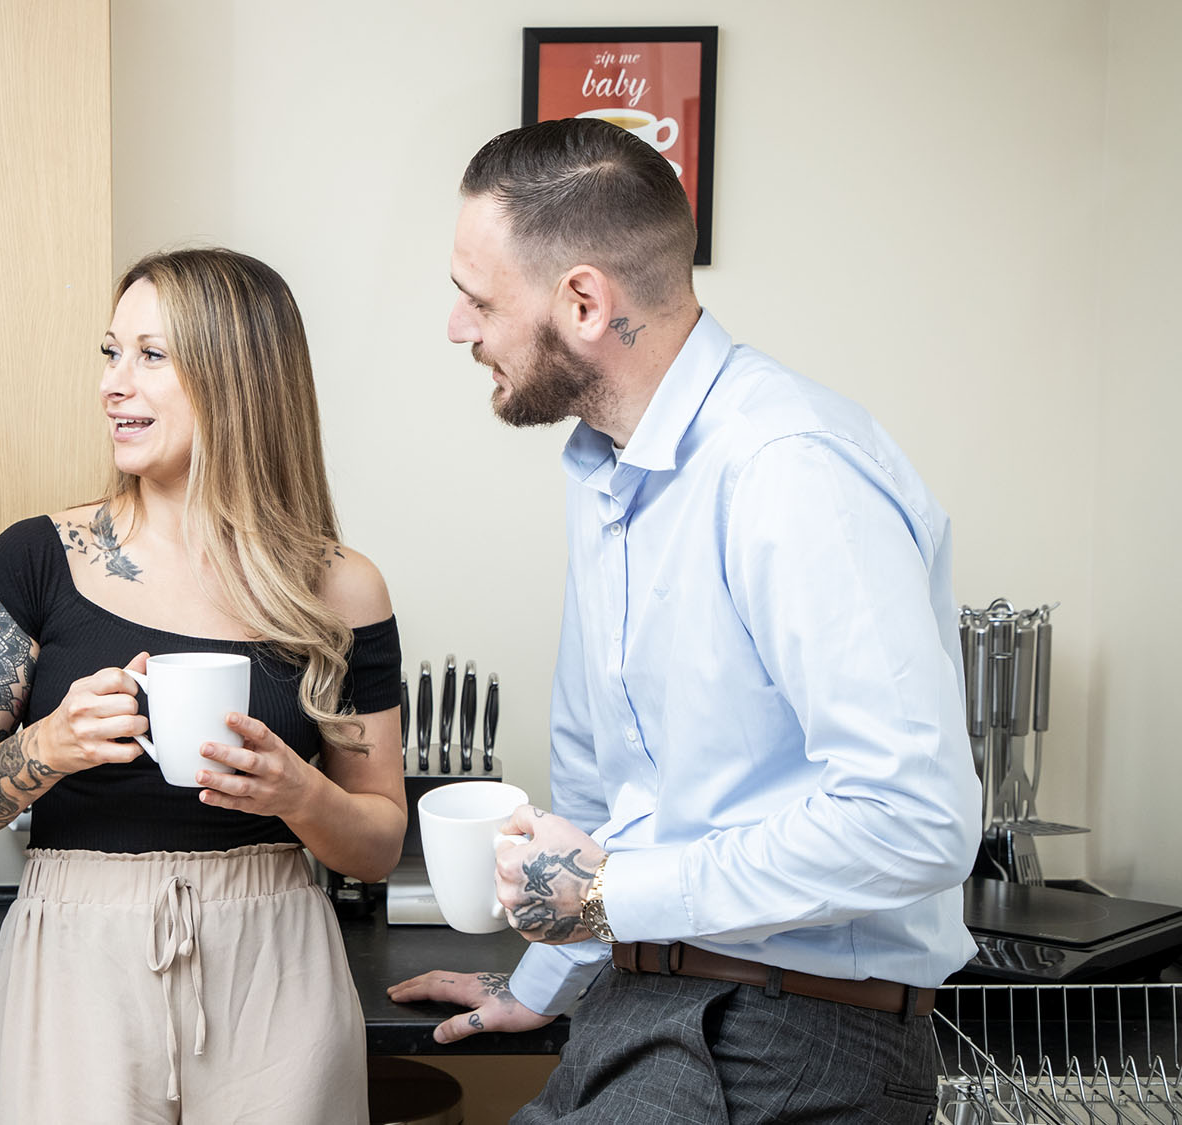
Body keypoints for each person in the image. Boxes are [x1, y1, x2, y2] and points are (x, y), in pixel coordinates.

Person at [388, 119, 980, 1123]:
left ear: (582, 300)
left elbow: (914, 823)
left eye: (476, 298)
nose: (456, 327)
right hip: (648, 1007)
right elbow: (607, 822)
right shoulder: (604, 474)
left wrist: (619, 893)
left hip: (788, 1035)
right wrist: (535, 984)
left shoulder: (786, 471)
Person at [0, 247, 406, 1124]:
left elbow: (375, 843)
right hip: (76, 957)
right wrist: (46, 747)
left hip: (277, 964)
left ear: (239, 379)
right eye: (111, 353)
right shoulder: (35, 559)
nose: (113, 384)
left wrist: (298, 793)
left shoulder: (341, 587)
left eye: (151, 356)